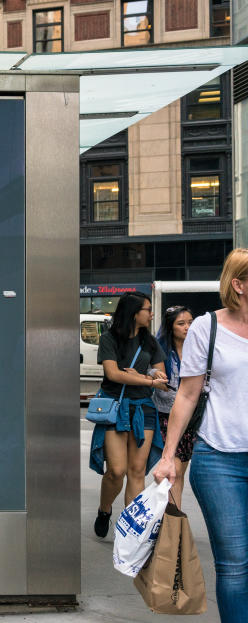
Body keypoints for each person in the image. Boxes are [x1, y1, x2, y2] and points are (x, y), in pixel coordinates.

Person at [154, 249, 248, 622]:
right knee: (236, 564)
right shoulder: (206, 329)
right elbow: (188, 395)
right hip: (219, 459)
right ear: (239, 285)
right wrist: (168, 456)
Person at [89, 292, 168, 538]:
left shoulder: (151, 343)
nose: (151, 313)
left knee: (136, 471)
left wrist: (154, 378)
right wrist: (146, 378)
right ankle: (104, 510)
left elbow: (163, 382)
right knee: (117, 470)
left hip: (143, 408)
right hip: (115, 407)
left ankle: (129, 530)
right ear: (134, 312)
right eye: (147, 309)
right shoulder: (110, 339)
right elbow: (113, 374)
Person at [153, 305, 195, 505]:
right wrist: (154, 375)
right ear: (171, 327)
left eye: (190, 322)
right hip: (166, 416)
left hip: (191, 417)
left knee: (180, 473)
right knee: (174, 472)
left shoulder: (198, 348)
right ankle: (173, 522)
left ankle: (173, 518)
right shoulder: (160, 348)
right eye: (181, 323)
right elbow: (151, 373)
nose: (187, 327)